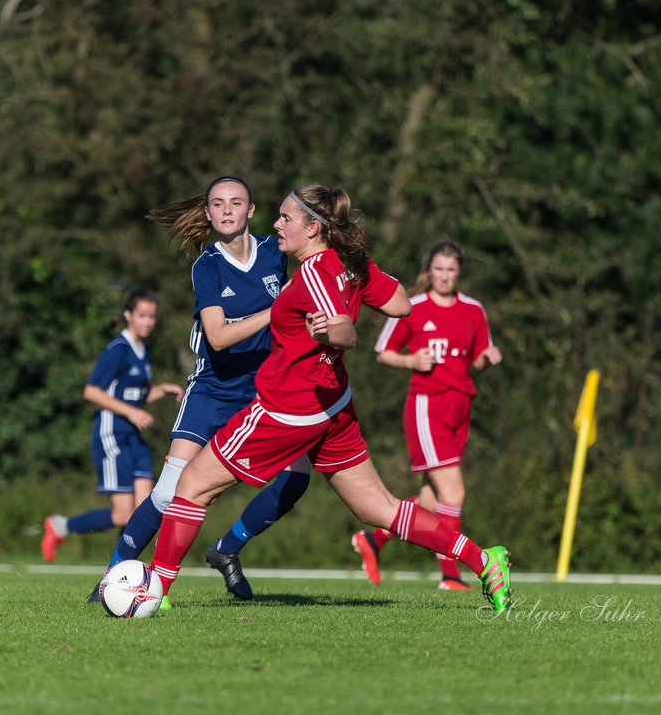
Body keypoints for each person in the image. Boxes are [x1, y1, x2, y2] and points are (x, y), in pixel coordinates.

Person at [146, 185, 513, 613]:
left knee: (191, 486)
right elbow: (400, 305)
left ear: (313, 227)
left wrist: (332, 332)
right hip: (333, 406)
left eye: (286, 219)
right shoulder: (345, 264)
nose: (276, 225)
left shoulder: (315, 273)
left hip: (288, 410)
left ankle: (153, 593)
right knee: (379, 508)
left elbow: (345, 332)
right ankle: (485, 561)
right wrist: (360, 274)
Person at [52, 175, 312, 602]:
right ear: (208, 214)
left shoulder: (273, 251)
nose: (227, 209)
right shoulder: (206, 265)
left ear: (251, 210)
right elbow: (219, 336)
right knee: (168, 491)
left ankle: (228, 548)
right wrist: (279, 306)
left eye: (236, 202)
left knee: (297, 477)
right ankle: (113, 574)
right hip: (214, 389)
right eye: (218, 203)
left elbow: (316, 262)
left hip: (266, 387)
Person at [351, 240, 503, 590]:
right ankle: (451, 575)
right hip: (426, 406)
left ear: (458, 272)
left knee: (431, 500)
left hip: (460, 404)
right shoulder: (415, 307)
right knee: (454, 493)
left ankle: (374, 541)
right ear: (428, 272)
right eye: (439, 269)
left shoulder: (473, 310)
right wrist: (411, 361)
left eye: (451, 269)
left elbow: (477, 360)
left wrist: (489, 358)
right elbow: (382, 352)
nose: (445, 275)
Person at [40, 289, 183, 560]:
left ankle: (124, 575)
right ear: (129, 315)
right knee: (123, 515)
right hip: (112, 435)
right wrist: (131, 413)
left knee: (146, 511)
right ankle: (60, 526)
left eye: (152, 317)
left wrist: (160, 389)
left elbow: (135, 396)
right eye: (142, 315)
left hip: (133, 438)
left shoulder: (143, 350)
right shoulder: (118, 349)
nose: (148, 322)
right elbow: (92, 392)